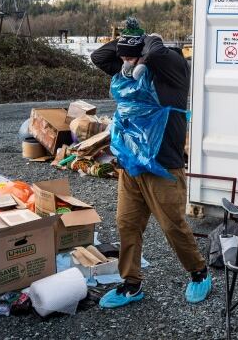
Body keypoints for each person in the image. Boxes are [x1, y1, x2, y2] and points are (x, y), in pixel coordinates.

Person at [91, 17, 210, 309]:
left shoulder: (172, 69)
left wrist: (147, 40)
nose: (126, 63)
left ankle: (199, 273)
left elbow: (157, 52)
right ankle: (131, 284)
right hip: (132, 164)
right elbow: (99, 56)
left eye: (132, 56)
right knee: (126, 223)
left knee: (173, 226)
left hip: (164, 166)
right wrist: (126, 40)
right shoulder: (128, 66)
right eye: (125, 57)